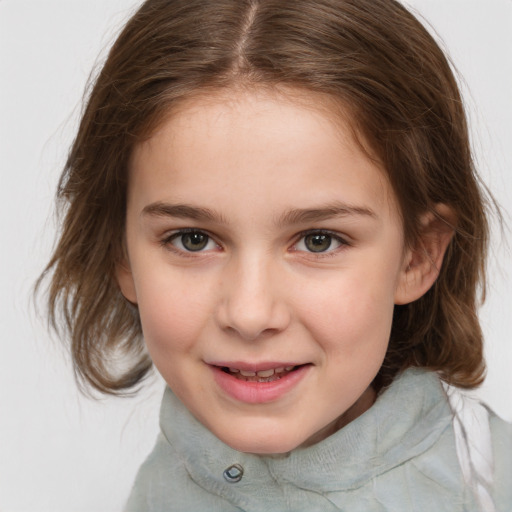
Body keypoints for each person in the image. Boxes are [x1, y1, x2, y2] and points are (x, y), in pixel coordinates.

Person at [41, 0, 511, 510]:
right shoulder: (156, 494)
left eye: (318, 240)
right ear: (122, 256)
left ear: (417, 255)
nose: (249, 313)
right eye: (193, 239)